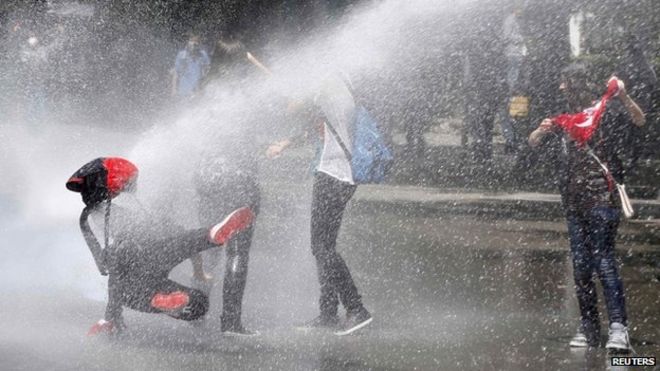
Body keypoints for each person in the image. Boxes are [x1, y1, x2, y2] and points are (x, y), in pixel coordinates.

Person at [528, 64, 645, 351]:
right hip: (573, 204)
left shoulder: (605, 113)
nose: (561, 89)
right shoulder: (564, 120)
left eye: (565, 83)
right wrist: (540, 132)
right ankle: (589, 328)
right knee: (581, 268)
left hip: (602, 201)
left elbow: (639, 121)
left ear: (578, 84)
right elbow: (532, 143)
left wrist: (624, 96)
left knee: (603, 262)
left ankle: (618, 328)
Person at [66, 157, 255, 335]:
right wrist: (198, 270)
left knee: (132, 292)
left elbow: (110, 267)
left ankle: (159, 300)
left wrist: (110, 316)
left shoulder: (90, 218)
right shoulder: (138, 209)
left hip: (132, 273)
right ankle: (210, 234)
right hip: (158, 252)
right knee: (200, 301)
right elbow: (178, 237)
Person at [267, 74, 373, 336]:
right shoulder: (343, 83)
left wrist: (286, 86)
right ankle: (328, 312)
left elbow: (293, 106)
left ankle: (356, 308)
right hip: (340, 174)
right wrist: (288, 142)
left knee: (321, 247)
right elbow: (321, 123)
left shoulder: (326, 81)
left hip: (334, 176)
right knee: (324, 247)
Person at [171, 34, 210, 99]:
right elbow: (176, 73)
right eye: (192, 41)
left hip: (198, 91)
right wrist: (174, 89)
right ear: (188, 42)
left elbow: (208, 73)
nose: (195, 43)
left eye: (197, 41)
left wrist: (202, 88)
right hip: (184, 91)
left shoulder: (203, 55)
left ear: (199, 43)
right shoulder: (182, 55)